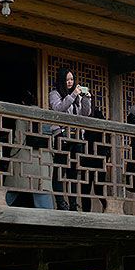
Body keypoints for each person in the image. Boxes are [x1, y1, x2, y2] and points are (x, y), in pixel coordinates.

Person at [49, 68, 92, 210]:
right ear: (61, 80)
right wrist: (73, 95)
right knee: (60, 170)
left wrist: (86, 99)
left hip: (77, 136)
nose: (70, 82)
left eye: (72, 79)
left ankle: (73, 203)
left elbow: (85, 114)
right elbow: (58, 109)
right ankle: (60, 202)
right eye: (67, 79)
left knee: (73, 171)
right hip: (61, 135)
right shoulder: (54, 94)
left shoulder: (77, 96)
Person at [80, 106, 109, 212]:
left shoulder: (94, 117)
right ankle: (105, 207)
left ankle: (105, 207)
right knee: (93, 189)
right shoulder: (104, 130)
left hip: (92, 160)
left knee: (90, 189)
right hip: (93, 160)